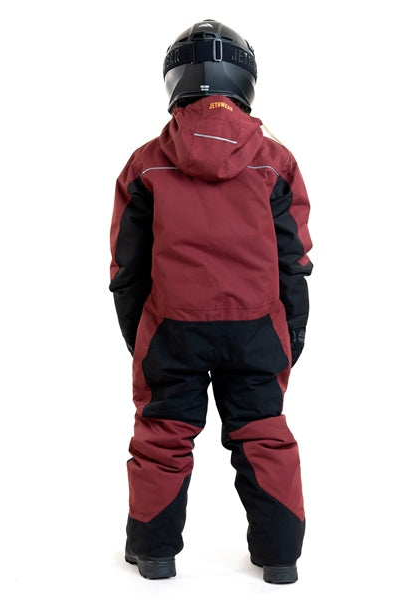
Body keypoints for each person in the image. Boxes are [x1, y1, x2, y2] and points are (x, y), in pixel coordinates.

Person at [109, 19, 313, 584]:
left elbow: (127, 268)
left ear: (175, 78)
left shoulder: (146, 163)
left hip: (171, 327)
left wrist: (140, 336)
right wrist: (291, 335)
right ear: (244, 79)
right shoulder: (275, 161)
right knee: (264, 433)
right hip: (257, 327)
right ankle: (280, 560)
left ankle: (154, 555)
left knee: (162, 435)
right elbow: (294, 262)